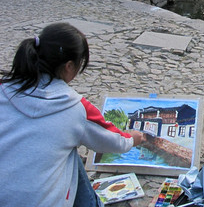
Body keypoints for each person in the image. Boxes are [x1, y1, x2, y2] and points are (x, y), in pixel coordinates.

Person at [0, 22, 144, 207]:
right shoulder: (75, 107)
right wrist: (133, 138)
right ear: (69, 66)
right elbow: (114, 140)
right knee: (70, 154)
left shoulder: (3, 89)